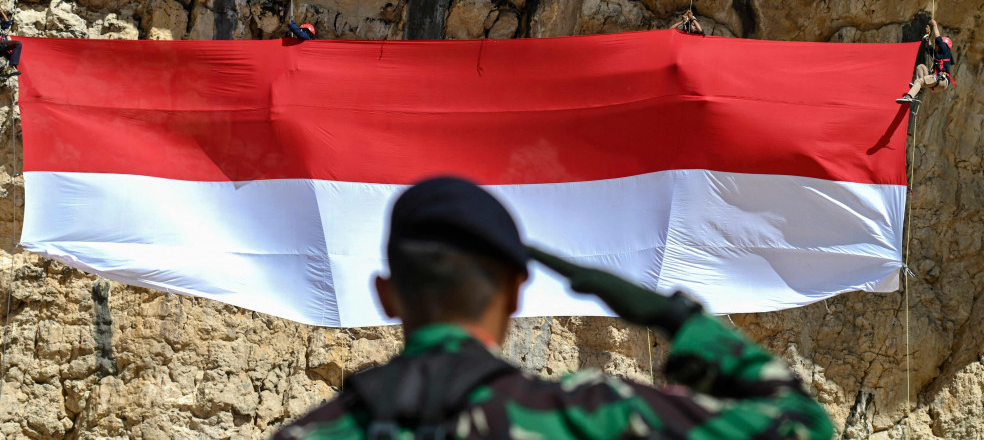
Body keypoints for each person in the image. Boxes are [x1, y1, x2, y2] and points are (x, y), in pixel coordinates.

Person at [271, 176, 833, 440]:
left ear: (386, 294)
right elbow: (802, 424)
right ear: (517, 290)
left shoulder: (307, 436)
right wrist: (679, 319)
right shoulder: (596, 417)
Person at [896, 19, 955, 105]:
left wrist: (934, 25)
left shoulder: (946, 52)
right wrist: (928, 36)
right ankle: (918, 88)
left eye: (938, 45)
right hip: (937, 80)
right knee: (921, 67)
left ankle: (909, 96)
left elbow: (938, 39)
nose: (937, 46)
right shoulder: (939, 55)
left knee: (919, 81)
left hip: (941, 80)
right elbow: (930, 48)